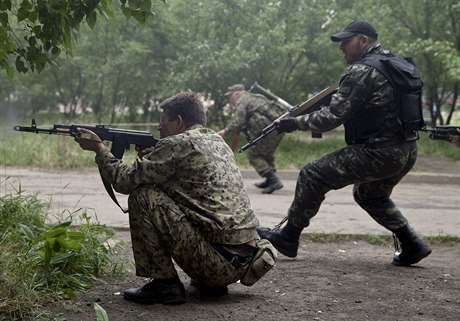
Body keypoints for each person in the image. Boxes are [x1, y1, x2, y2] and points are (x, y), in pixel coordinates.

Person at [257, 20, 432, 266]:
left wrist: (295, 123)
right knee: (369, 194)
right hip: (406, 149)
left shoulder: (362, 71)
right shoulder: (395, 64)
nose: (342, 48)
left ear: (363, 41)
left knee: (312, 173)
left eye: (346, 42)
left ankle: (288, 236)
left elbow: (332, 117)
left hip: (378, 152)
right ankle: (412, 243)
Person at [74, 92, 267, 304]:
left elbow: (124, 182)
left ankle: (164, 285)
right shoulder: (216, 141)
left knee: (142, 196)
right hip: (246, 261)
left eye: (163, 121)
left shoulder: (177, 144)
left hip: (216, 265)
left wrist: (99, 149)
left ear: (179, 121)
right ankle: (212, 285)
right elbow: (188, 189)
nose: (159, 127)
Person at [218, 84, 285, 194]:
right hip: (277, 128)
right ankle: (270, 179)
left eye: (229, 96)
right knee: (266, 154)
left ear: (237, 93)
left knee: (254, 155)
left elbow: (238, 122)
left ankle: (274, 180)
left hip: (269, 130)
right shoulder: (254, 97)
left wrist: (225, 132)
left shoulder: (242, 101)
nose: (229, 99)